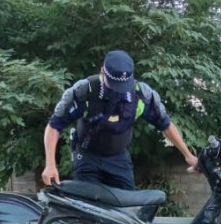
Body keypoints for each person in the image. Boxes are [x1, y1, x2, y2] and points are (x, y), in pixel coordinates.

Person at [41, 49, 198, 190]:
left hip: (118, 158)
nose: (118, 90)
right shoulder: (85, 91)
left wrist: (188, 155)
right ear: (103, 72)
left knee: (126, 208)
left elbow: (165, 124)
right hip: (87, 156)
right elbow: (54, 125)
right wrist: (50, 164)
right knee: (88, 207)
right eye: (114, 84)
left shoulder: (141, 95)